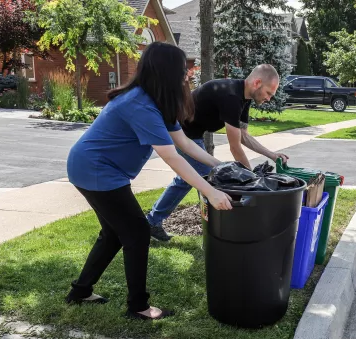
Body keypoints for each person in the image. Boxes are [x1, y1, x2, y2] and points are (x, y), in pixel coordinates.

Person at [64, 42, 232, 320]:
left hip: (96, 169)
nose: (187, 76)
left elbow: (185, 144)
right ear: (166, 72)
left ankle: (80, 292)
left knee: (113, 234)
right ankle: (139, 307)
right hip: (96, 171)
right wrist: (210, 191)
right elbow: (172, 157)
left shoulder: (156, 101)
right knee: (137, 233)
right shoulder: (139, 104)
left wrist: (220, 164)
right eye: (183, 70)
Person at [146, 64, 290, 241]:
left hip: (192, 135)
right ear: (257, 83)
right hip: (182, 133)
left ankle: (152, 222)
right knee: (211, 181)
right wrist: (252, 180)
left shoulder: (243, 98)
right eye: (268, 93)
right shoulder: (231, 96)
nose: (269, 99)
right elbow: (235, 147)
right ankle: (220, 234)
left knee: (187, 179)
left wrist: (272, 155)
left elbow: (243, 136)